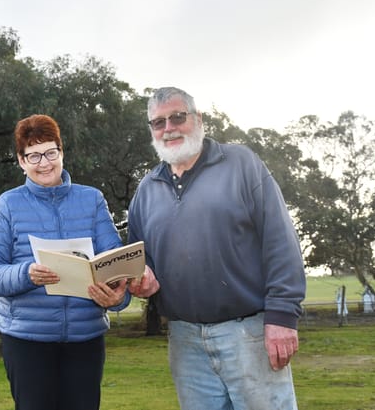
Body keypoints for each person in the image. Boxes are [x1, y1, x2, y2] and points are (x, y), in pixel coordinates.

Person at [127, 86, 306, 410]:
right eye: (158, 122)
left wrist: (282, 316)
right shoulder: (147, 189)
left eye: (177, 117)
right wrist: (142, 279)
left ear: (198, 119)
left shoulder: (242, 164)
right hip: (185, 341)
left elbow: (280, 241)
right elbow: (140, 259)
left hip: (249, 333)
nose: (168, 128)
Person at [0, 114, 131, 410]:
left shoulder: (93, 200)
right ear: (21, 161)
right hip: (26, 341)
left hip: (86, 337)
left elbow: (116, 262)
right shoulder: (7, 205)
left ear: (62, 152)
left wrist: (118, 297)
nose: (44, 163)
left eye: (50, 152)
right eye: (33, 156)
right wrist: (26, 273)